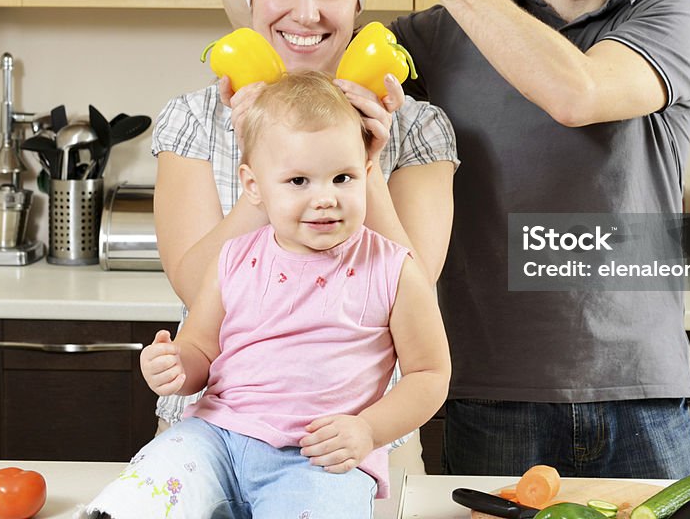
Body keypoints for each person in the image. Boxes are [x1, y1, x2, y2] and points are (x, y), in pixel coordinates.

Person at [207, 0, 690, 479]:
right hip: (484, 391)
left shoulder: (672, 18)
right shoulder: (440, 37)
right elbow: (296, 46)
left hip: (639, 392)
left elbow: (577, 94)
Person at [153, 0, 458, 475]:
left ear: (356, 5)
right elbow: (196, 287)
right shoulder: (198, 118)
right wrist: (258, 170)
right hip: (213, 436)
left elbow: (413, 290)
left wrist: (364, 163)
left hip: (362, 441)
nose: (307, 13)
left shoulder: (417, 127)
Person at [86, 71, 451, 519]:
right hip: (215, 439)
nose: (325, 199)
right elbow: (200, 347)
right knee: (143, 490)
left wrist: (368, 431)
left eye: (343, 178)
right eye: (299, 181)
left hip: (319, 459)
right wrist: (176, 367)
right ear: (254, 186)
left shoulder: (395, 269)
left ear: (368, 172)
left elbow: (430, 374)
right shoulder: (233, 258)